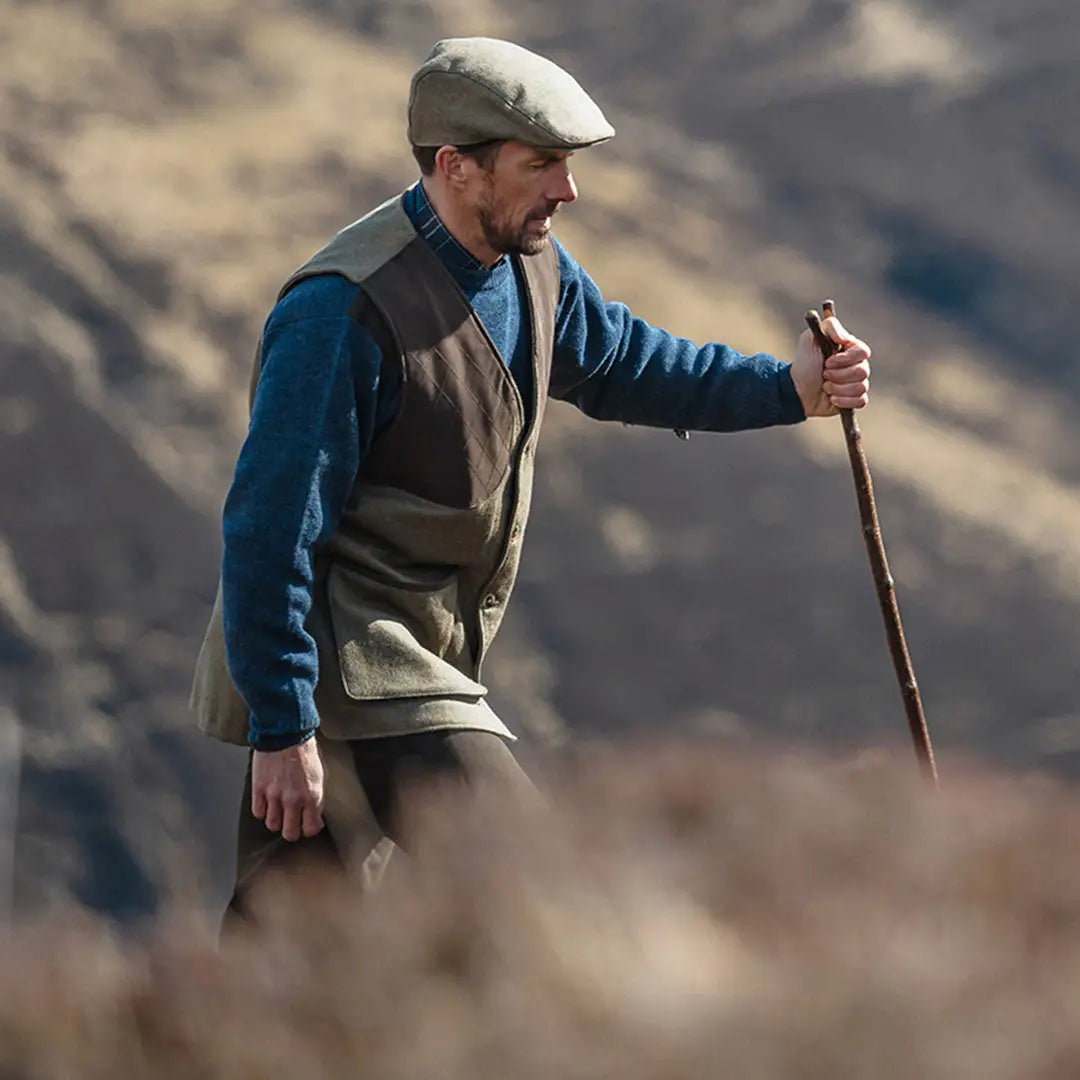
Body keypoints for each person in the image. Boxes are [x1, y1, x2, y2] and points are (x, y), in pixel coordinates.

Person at [191, 36, 871, 916]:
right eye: (542, 163)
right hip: (353, 669)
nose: (568, 188)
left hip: (409, 662)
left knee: (283, 949)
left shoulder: (530, 266)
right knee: (538, 882)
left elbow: (629, 361)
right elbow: (269, 528)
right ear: (455, 167)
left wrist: (786, 389)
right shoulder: (339, 311)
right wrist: (283, 724)